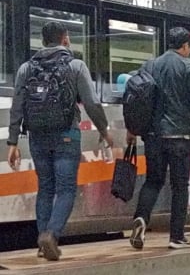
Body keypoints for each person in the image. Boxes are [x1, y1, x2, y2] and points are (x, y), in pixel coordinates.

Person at [7, 22, 113, 261]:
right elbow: (91, 102)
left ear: (43, 41)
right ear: (65, 39)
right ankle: (51, 235)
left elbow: (17, 105)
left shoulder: (26, 68)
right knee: (65, 189)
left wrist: (12, 142)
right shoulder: (76, 66)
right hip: (66, 134)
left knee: (45, 187)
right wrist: (104, 130)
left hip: (37, 136)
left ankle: (42, 240)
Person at [129, 27, 190, 250]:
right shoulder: (188, 67)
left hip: (153, 136)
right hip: (179, 137)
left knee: (153, 181)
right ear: (186, 45)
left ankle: (141, 217)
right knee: (179, 186)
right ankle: (176, 237)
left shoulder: (150, 65)